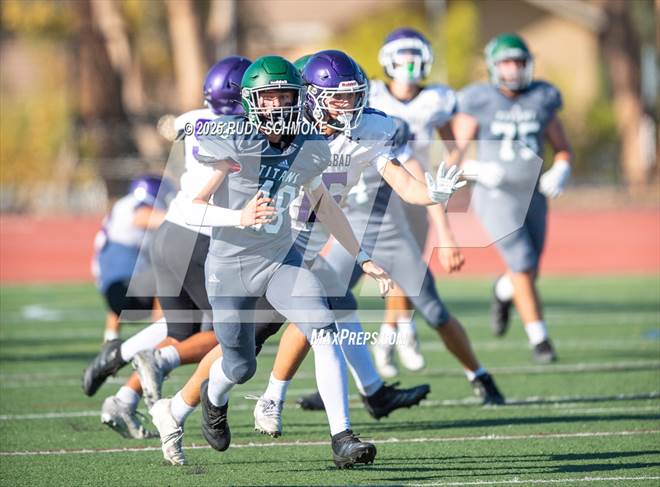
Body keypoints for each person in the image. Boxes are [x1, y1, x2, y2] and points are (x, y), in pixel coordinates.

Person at [290, 50, 504, 413]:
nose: (347, 106)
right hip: (351, 234)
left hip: (391, 234)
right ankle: (324, 389)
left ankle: (480, 376)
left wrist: (444, 227)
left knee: (434, 311)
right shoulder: (311, 136)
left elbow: (413, 185)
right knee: (321, 304)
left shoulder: (378, 134)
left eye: (352, 97)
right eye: (340, 98)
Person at [83, 57, 252, 440]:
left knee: (181, 329)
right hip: (201, 237)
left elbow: (174, 126)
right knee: (228, 333)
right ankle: (151, 359)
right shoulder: (244, 129)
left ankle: (122, 390)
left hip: (170, 233)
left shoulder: (193, 119)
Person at [452, 33, 572, 363]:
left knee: (529, 269)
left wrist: (561, 168)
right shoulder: (478, 99)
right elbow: (454, 156)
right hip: (495, 195)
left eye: (519, 62)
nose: (514, 69)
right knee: (523, 262)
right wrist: (476, 169)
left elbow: (562, 147)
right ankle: (540, 340)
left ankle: (502, 290)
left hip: (532, 193)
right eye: (507, 63)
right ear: (493, 66)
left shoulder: (543, 97)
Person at [367, 27, 464, 377]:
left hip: (418, 190)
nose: (409, 64)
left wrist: (450, 171)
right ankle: (401, 332)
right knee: (394, 268)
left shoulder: (435, 98)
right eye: (403, 57)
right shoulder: (373, 94)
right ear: (388, 60)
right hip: (378, 188)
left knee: (408, 267)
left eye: (414, 56)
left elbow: (453, 146)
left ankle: (391, 334)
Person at [92, 175, 173, 343]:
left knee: (142, 269)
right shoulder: (137, 205)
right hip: (125, 289)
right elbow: (141, 217)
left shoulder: (121, 206)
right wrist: (184, 219)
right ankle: (159, 340)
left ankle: (110, 339)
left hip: (110, 287)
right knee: (169, 274)